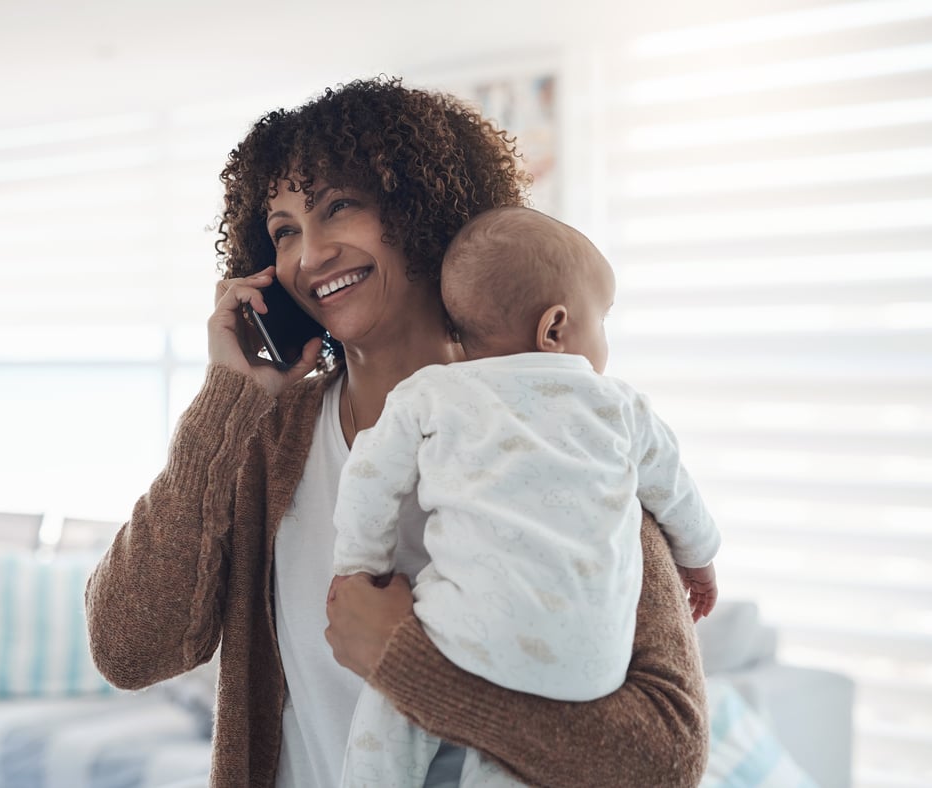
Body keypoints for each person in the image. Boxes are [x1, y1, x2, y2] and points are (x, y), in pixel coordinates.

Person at [84, 76, 710, 788]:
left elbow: (665, 758)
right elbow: (128, 648)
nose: (308, 255)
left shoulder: (564, 418)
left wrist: (405, 664)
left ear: (423, 211)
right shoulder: (268, 437)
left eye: (338, 208)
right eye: (285, 229)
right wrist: (229, 396)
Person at [331, 206, 721, 787]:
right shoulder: (617, 406)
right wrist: (700, 558)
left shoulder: (432, 395)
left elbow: (369, 476)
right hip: (588, 665)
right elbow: (675, 490)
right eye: (604, 320)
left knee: (390, 721)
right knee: (514, 763)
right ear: (555, 328)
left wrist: (360, 566)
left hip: (462, 633)